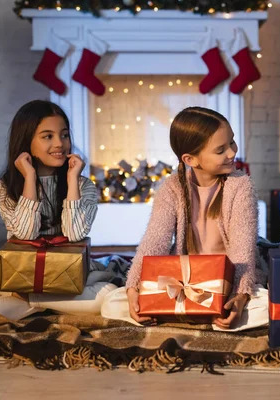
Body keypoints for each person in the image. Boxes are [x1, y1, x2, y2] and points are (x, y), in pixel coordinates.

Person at [103, 107, 263, 330]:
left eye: (232, 143)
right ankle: (198, 315)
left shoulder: (241, 186)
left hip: (229, 280)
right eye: (220, 150)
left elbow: (242, 252)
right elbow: (154, 241)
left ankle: (203, 315)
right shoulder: (172, 187)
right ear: (191, 159)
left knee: (264, 307)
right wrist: (134, 288)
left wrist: (239, 297)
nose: (231, 153)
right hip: (183, 281)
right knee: (112, 304)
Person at [0, 100, 116, 320]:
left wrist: (71, 181)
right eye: (48, 136)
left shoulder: (83, 186)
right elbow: (25, 234)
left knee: (106, 295)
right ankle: (52, 304)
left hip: (68, 270)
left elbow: (75, 233)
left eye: (64, 135)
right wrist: (30, 179)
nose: (60, 143)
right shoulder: (4, 187)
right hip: (20, 270)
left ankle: (29, 300)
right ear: (26, 141)